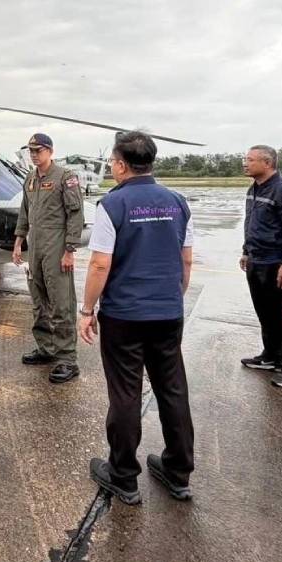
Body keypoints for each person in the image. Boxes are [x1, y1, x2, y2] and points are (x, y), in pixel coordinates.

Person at [80, 131, 195, 503]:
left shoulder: (112, 205)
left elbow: (99, 263)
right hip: (167, 312)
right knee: (172, 389)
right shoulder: (178, 202)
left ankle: (124, 476)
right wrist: (172, 296)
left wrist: (86, 310)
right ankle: (178, 472)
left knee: (126, 393)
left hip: (125, 315)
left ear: (120, 164)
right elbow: (186, 258)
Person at [12, 133, 85, 384]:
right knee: (38, 300)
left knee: (61, 301)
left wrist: (70, 249)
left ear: (50, 151)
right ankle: (46, 348)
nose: (34, 154)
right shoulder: (30, 178)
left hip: (56, 244)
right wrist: (19, 240)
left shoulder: (65, 177)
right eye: (31, 151)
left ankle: (67, 358)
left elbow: (75, 214)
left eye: (38, 150)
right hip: (36, 245)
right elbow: (25, 211)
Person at [239, 144, 282, 387]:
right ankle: (272, 356)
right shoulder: (254, 188)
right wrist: (246, 251)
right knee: (265, 313)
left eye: (250, 159)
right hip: (256, 261)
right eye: (245, 159)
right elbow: (252, 223)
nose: (245, 163)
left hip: (276, 264)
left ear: (267, 163)